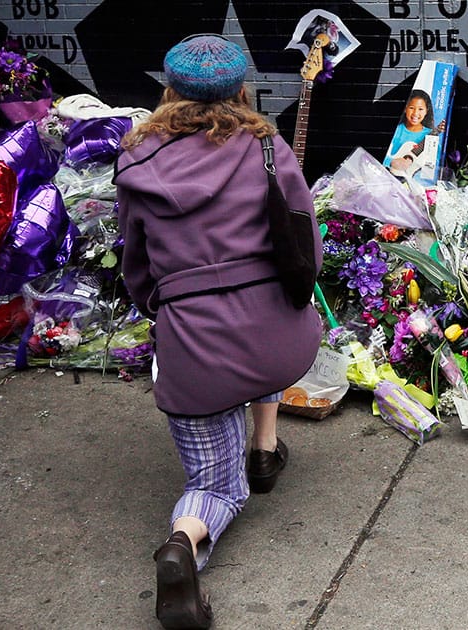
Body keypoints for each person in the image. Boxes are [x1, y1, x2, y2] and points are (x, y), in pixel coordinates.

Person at [113, 33, 322, 629]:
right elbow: (304, 240)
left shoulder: (137, 160)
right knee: (266, 326)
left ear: (169, 89)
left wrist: (169, 307)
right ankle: (264, 449)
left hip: (196, 351)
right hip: (278, 342)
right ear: (240, 89)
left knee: (213, 487)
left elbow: (138, 265)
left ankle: (181, 546)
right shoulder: (266, 146)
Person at [384, 89, 445, 174]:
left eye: (420, 109)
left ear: (426, 111)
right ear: (405, 108)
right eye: (411, 108)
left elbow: (433, 166)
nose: (415, 113)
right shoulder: (397, 130)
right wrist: (391, 162)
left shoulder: (431, 135)